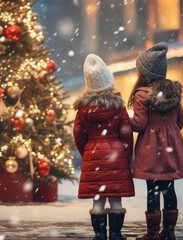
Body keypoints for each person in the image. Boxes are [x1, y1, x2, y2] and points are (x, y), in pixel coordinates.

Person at [128, 42, 183, 240]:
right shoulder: (173, 92)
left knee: (152, 190)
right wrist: (168, 130)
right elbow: (180, 121)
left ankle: (153, 233)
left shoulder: (142, 95)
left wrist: (123, 120)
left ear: (145, 74)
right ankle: (169, 232)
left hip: (150, 150)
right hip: (171, 149)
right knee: (169, 188)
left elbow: (138, 124)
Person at [73, 54, 135, 240]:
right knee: (116, 197)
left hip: (93, 153)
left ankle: (99, 234)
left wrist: (87, 152)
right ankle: (116, 234)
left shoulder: (83, 109)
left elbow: (78, 134)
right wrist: (126, 155)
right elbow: (126, 133)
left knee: (98, 198)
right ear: (108, 80)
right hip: (116, 154)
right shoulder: (118, 106)